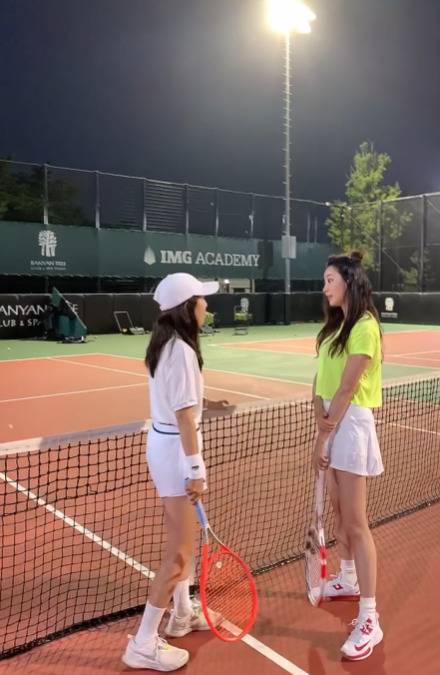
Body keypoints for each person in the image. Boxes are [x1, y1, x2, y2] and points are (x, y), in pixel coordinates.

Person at [123, 273, 225, 671]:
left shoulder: (165, 344)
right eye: (202, 300)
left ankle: (182, 613)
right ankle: (143, 643)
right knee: (179, 556)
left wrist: (207, 404)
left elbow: (182, 403)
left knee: (183, 543)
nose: (206, 306)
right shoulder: (181, 350)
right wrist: (195, 469)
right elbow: (184, 417)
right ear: (188, 307)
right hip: (176, 452)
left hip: (165, 445)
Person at [312, 252, 384, 661]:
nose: (324, 288)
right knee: (340, 514)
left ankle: (370, 617)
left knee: (356, 523)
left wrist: (324, 436)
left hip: (351, 425)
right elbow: (319, 382)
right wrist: (318, 427)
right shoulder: (332, 329)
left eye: (329, 280)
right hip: (330, 422)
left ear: (349, 283)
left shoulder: (365, 327)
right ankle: (348, 578)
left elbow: (347, 387)